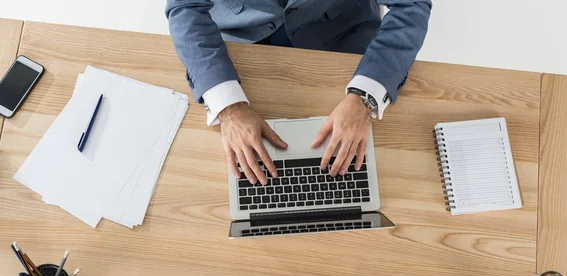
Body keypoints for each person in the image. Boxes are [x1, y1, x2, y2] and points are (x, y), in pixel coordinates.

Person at [166, 1, 431, 186]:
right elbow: (184, 8)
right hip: (240, 47)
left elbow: (411, 5)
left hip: (341, 43)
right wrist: (228, 107)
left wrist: (366, 96)